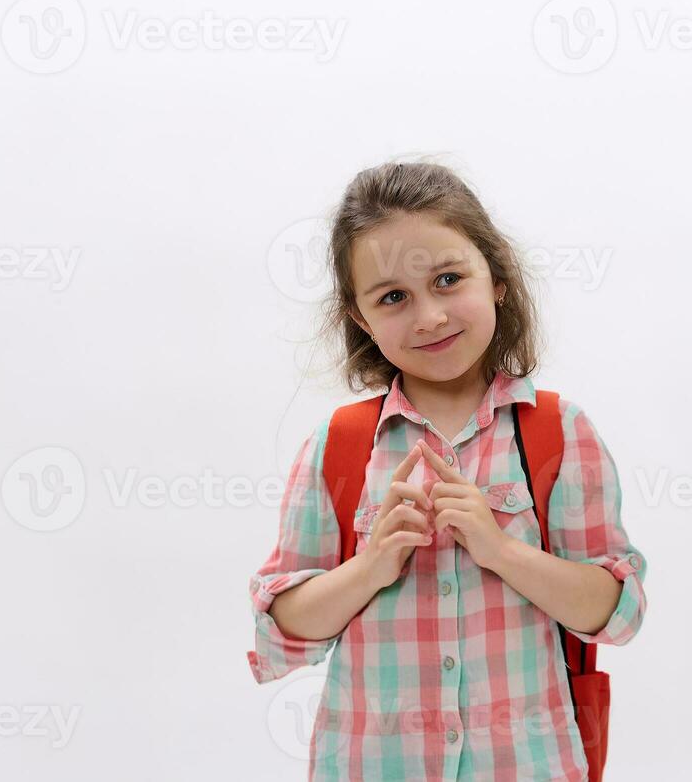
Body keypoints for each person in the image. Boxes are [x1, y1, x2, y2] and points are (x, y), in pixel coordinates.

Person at [246, 160, 647, 780]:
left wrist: (502, 550)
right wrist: (370, 566)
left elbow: (615, 612)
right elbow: (284, 629)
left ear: (497, 281)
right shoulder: (339, 443)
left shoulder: (558, 432)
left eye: (448, 279)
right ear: (362, 318)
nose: (428, 315)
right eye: (394, 298)